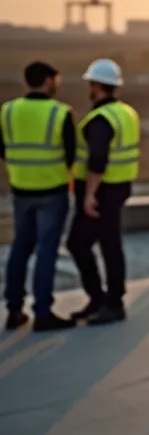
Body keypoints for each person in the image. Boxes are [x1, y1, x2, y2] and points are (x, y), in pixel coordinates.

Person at [1, 61, 77, 332]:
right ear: (47, 81)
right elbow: (71, 155)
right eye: (55, 80)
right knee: (46, 250)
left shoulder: (7, 111)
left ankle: (13, 310)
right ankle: (43, 313)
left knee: (20, 248)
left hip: (21, 191)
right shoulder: (60, 112)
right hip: (52, 192)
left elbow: (3, 148)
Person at [65, 58, 140, 325]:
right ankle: (103, 300)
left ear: (96, 85)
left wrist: (88, 196)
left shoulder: (100, 119)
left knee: (85, 243)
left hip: (101, 191)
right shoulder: (127, 112)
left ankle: (110, 302)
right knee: (107, 243)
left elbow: (98, 160)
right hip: (119, 186)